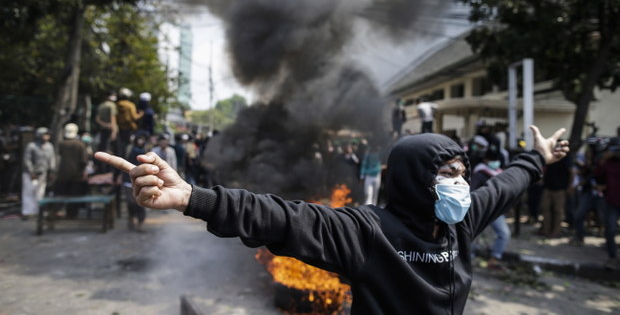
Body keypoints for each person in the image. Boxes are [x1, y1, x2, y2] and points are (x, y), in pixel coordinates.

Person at [95, 125, 569, 315]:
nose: (460, 185)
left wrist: (539, 158)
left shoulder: (459, 226)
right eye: (447, 174)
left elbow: (505, 185)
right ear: (412, 180)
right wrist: (192, 198)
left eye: (462, 175)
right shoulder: (367, 231)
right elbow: (280, 217)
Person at [470, 149, 510, 270]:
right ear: (486, 160)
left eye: (497, 160)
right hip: (480, 210)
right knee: (472, 236)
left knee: (504, 234)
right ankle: (468, 259)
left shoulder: (499, 173)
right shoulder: (479, 174)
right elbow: (471, 192)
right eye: (493, 160)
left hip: (495, 211)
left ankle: (494, 258)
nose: (495, 162)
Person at [594, 138, 620, 270]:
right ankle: (612, 257)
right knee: (610, 229)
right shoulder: (607, 163)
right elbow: (597, 176)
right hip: (612, 201)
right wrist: (603, 160)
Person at [53, 123, 89, 218]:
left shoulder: (62, 144)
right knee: (74, 196)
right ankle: (72, 214)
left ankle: (56, 212)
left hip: (62, 174)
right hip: (76, 176)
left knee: (60, 194)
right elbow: (84, 161)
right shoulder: (80, 145)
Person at [21, 127, 56, 219]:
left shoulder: (49, 146)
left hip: (43, 173)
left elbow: (52, 159)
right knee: (28, 193)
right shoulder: (31, 146)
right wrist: (31, 171)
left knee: (40, 193)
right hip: (30, 174)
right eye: (45, 135)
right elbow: (27, 160)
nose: (47, 137)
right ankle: (27, 212)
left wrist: (51, 171)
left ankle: (38, 212)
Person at [122, 133, 148, 231]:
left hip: (141, 180)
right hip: (128, 180)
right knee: (131, 203)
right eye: (139, 139)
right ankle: (131, 219)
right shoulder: (129, 149)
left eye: (142, 139)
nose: (141, 141)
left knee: (140, 203)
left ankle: (140, 223)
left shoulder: (146, 151)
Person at [95, 91, 118, 162]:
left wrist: (104, 124)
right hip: (111, 129)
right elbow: (113, 118)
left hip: (103, 129)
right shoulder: (112, 105)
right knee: (114, 150)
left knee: (103, 148)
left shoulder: (101, 105)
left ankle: (102, 167)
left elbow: (97, 119)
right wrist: (114, 131)